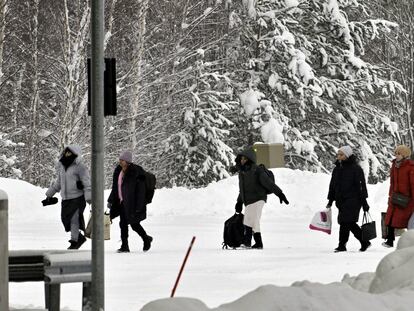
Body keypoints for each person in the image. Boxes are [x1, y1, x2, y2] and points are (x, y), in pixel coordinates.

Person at [233, 147, 289, 249]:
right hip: (249, 200)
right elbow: (242, 190)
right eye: (241, 159)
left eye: (245, 159)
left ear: (250, 159)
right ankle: (259, 243)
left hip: (258, 198)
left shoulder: (257, 170)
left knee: (248, 219)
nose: (242, 161)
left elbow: (269, 184)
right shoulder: (242, 173)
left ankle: (247, 242)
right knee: (254, 221)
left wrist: (280, 194)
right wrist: (239, 202)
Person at [44, 145, 91, 249]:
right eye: (66, 153)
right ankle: (79, 237)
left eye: (70, 153)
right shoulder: (62, 167)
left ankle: (75, 241)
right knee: (65, 220)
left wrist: (89, 197)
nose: (67, 155)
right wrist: (49, 194)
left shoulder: (80, 167)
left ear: (75, 154)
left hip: (77, 198)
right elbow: (58, 183)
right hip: (66, 199)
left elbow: (87, 183)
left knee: (74, 219)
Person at [327, 145, 371, 252]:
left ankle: (342, 245)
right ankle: (364, 241)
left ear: (347, 155)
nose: (339, 157)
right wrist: (331, 200)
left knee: (345, 221)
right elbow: (332, 185)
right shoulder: (337, 169)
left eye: (341, 155)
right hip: (341, 200)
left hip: (354, 200)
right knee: (347, 222)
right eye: (338, 154)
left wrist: (364, 202)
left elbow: (361, 186)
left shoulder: (356, 169)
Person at [107, 150, 153, 253]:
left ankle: (146, 238)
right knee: (123, 223)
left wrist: (139, 206)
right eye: (120, 159)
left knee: (134, 224)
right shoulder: (118, 171)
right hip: (121, 202)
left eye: (122, 160)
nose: (120, 161)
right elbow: (115, 187)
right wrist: (111, 200)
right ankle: (125, 246)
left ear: (128, 161)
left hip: (132, 203)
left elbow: (140, 191)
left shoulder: (136, 172)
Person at [383, 145, 414, 247]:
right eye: (395, 153)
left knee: (405, 222)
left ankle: (409, 242)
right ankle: (390, 241)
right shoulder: (394, 165)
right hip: (395, 197)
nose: (396, 155)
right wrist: (390, 196)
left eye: (399, 153)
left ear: (404, 155)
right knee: (390, 220)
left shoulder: (410, 167)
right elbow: (392, 182)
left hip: (407, 200)